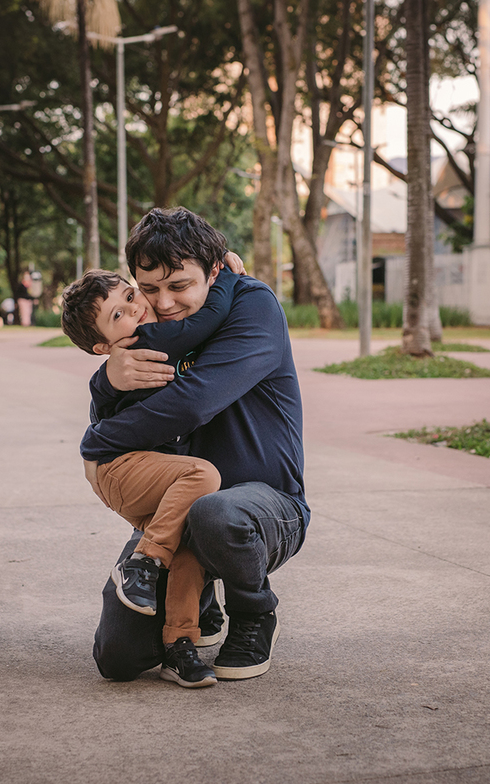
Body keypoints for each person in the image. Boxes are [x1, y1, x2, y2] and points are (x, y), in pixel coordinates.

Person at [81, 206, 309, 682]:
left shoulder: (252, 304)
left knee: (216, 513)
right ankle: (199, 602)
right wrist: (107, 382)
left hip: (263, 504)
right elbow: (127, 411)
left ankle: (254, 611)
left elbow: (191, 404)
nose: (162, 303)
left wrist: (95, 441)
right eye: (149, 288)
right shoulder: (147, 328)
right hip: (181, 506)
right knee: (119, 656)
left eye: (179, 286)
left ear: (214, 271)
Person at [61, 264, 240, 688]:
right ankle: (144, 563)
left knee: (188, 548)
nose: (134, 308)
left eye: (128, 295)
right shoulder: (148, 340)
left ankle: (181, 645)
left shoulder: (146, 330)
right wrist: (226, 274)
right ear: (103, 345)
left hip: (153, 473)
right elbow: (209, 320)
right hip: (122, 468)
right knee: (203, 475)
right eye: (117, 315)